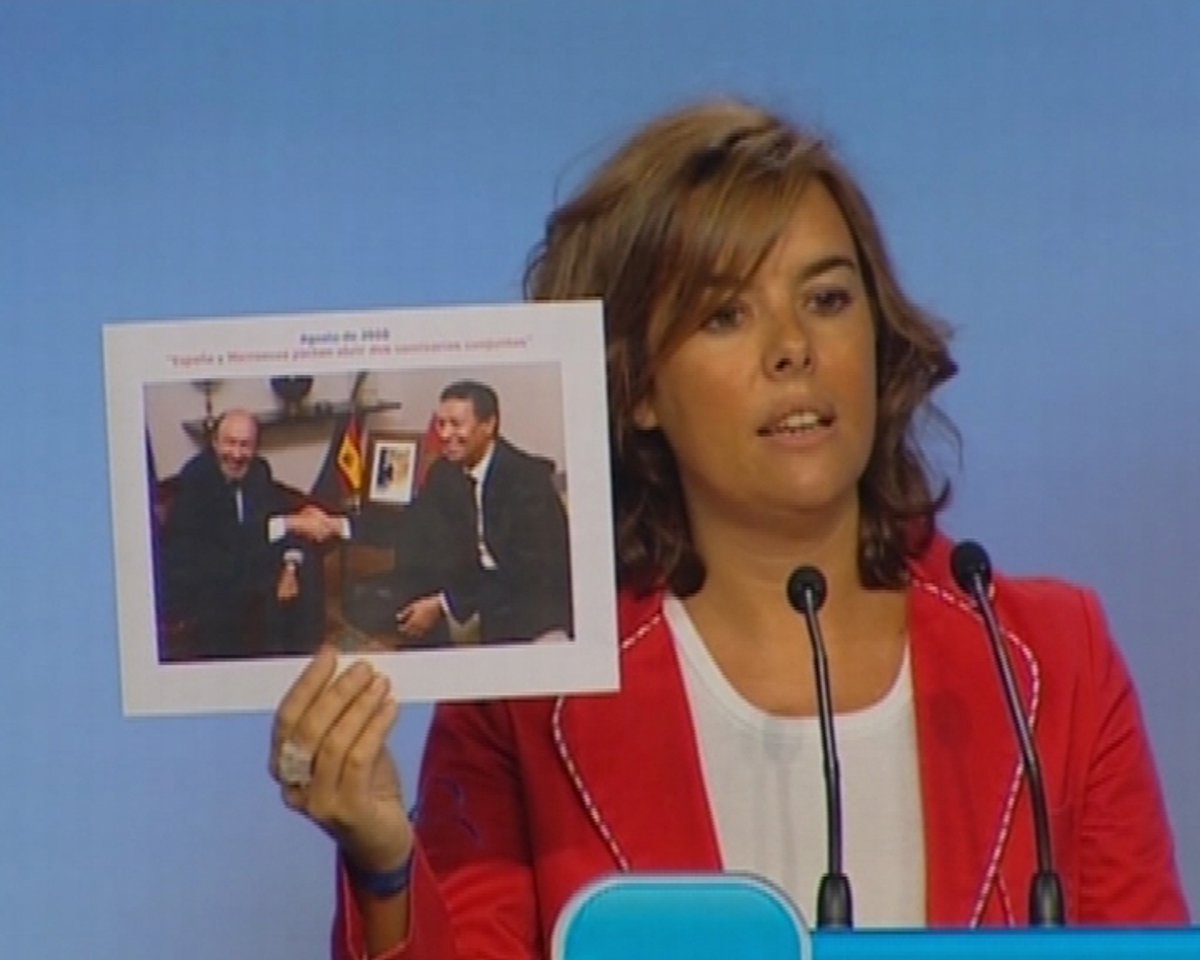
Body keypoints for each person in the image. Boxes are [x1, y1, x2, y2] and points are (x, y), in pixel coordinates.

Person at [269, 99, 1188, 957]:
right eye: (726, 314)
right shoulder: (526, 696)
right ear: (636, 388)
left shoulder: (1051, 657)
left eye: (827, 299)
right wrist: (384, 869)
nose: (793, 348)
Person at [386, 380, 572, 647]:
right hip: (482, 597)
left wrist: (444, 603)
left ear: (488, 424)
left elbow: (530, 575)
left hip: (535, 607)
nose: (445, 434)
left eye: (456, 424)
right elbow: (412, 522)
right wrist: (341, 525)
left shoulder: (526, 480)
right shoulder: (445, 471)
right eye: (441, 424)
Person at [160, 408, 346, 658]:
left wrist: (289, 565)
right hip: (206, 575)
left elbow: (272, 516)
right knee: (265, 586)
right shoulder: (197, 477)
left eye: (245, 445)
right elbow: (230, 539)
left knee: (306, 563)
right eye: (230, 443)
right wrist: (291, 524)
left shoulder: (258, 470)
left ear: (256, 447)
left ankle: (305, 656)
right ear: (215, 443)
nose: (237, 454)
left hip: (246, 561)